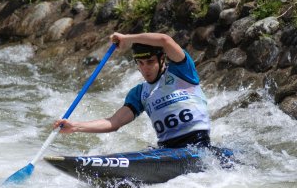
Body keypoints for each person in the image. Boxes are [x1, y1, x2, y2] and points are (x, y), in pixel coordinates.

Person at [54, 32, 211, 149]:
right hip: (167, 149)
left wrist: (128, 39)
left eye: (150, 62)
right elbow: (113, 123)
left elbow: (165, 40)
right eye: (140, 63)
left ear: (162, 59)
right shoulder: (139, 93)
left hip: (198, 143)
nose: (145, 69)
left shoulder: (182, 72)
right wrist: (75, 127)